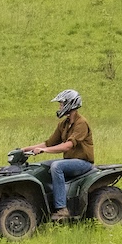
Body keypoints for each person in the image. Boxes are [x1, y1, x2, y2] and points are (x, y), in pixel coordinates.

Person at [27, 89, 95, 219]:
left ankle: (62, 209)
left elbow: (68, 145)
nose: (60, 107)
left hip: (83, 163)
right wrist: (25, 149)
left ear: (70, 104)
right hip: (70, 162)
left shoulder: (81, 123)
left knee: (56, 166)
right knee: (40, 166)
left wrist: (44, 151)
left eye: (62, 104)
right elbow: (48, 143)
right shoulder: (63, 124)